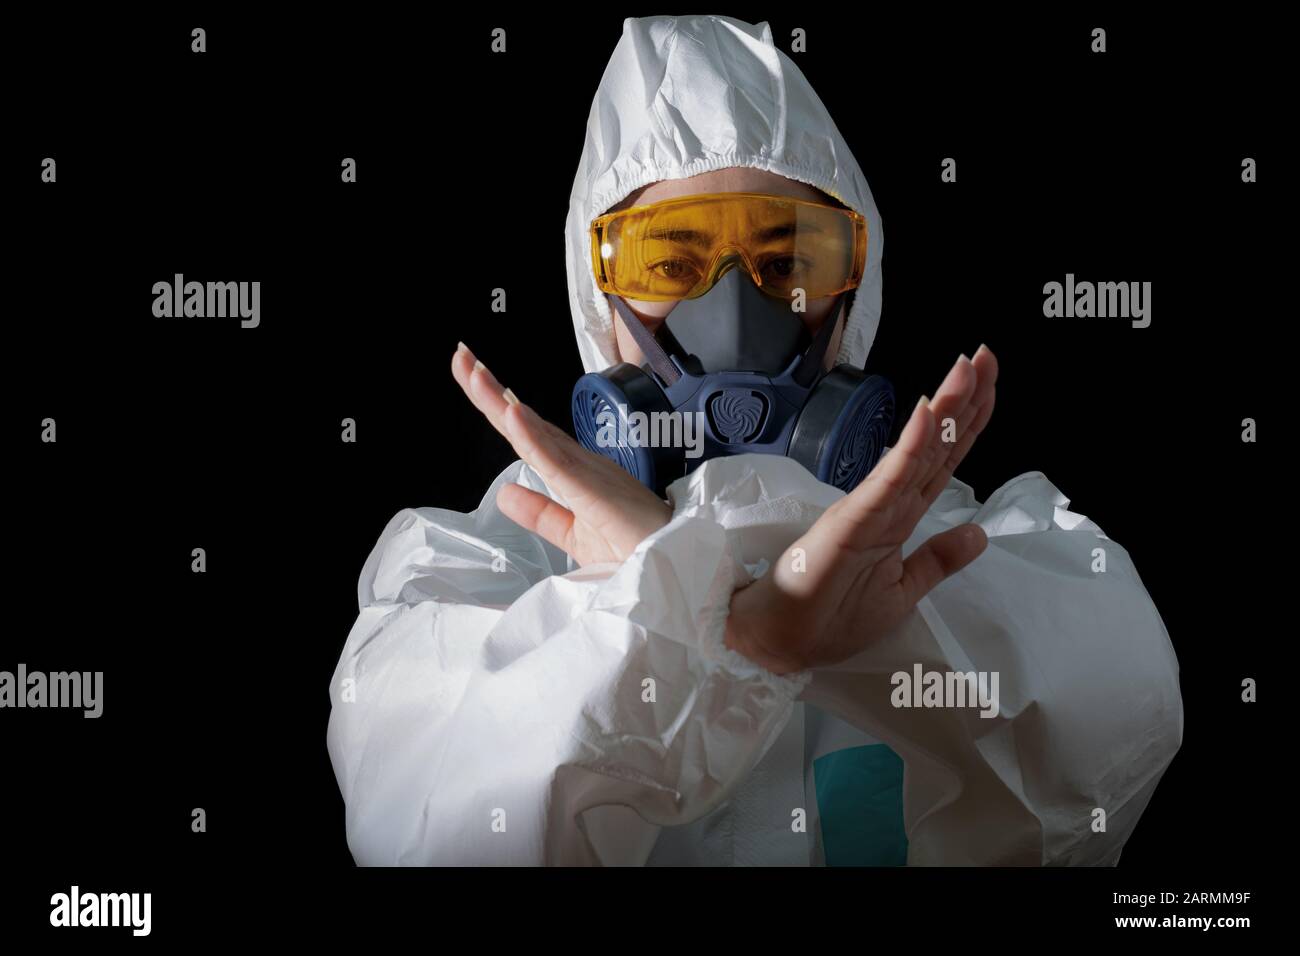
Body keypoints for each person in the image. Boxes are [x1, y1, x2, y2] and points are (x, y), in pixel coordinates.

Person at [326, 14, 1182, 866]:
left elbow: (1116, 718)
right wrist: (697, 609)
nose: (734, 310)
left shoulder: (963, 548)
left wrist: (734, 604)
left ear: (856, 291)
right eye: (670, 265)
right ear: (599, 303)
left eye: (787, 263)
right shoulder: (491, 555)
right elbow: (425, 816)